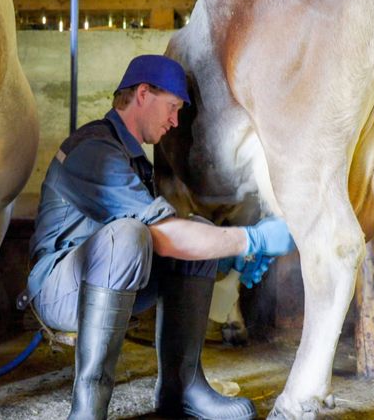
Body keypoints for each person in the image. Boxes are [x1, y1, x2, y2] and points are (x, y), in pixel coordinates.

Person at [16, 54, 295, 420]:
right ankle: (88, 409)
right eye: (173, 107)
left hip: (105, 280)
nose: (175, 121)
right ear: (143, 94)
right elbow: (158, 235)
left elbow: (172, 236)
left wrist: (219, 255)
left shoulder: (134, 159)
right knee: (130, 235)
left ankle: (182, 390)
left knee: (195, 232)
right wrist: (252, 240)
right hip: (57, 289)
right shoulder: (94, 148)